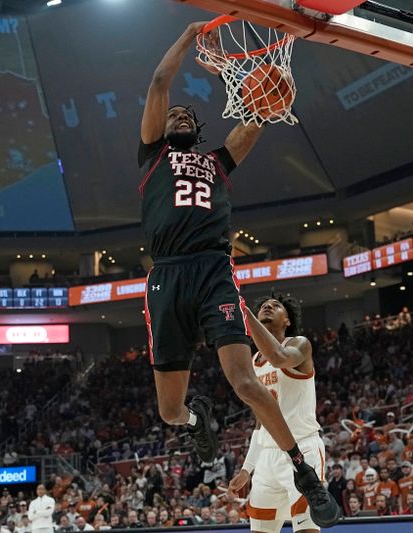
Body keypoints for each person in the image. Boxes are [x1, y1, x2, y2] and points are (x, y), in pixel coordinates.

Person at [138, 22, 337, 527]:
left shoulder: (217, 162)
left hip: (212, 268)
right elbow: (161, 82)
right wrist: (186, 36)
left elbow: (250, 126)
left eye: (188, 114)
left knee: (246, 381)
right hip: (165, 277)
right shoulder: (154, 157)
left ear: (199, 129)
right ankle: (194, 418)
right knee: (168, 412)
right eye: (174, 115)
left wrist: (266, 99)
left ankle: (306, 476)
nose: (179, 114)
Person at [228, 294, 339, 532]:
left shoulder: (300, 344)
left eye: (276, 306)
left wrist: (244, 311)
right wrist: (248, 468)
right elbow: (260, 422)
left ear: (287, 320)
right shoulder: (253, 362)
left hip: (303, 450)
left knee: (306, 528)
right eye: (263, 306)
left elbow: (278, 358)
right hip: (267, 458)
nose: (268, 306)